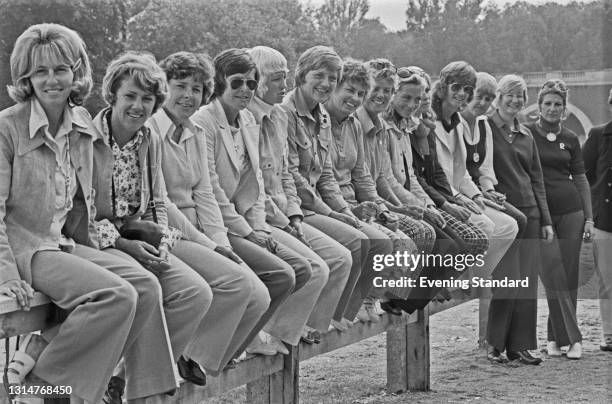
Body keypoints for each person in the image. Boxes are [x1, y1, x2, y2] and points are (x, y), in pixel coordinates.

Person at [0, 23, 171, 403]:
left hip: (66, 242)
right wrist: (7, 274)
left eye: (61, 69)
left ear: (76, 73)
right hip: (27, 247)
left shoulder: (80, 126)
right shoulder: (7, 127)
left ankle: (51, 358)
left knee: (144, 288)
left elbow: (82, 206)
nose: (51, 80)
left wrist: (112, 247)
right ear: (25, 77)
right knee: (116, 295)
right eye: (39, 71)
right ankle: (41, 390)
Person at [92, 51, 215, 397]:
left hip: (138, 235)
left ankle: (123, 377)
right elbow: (81, 213)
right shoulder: (87, 138)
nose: (138, 106)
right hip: (99, 240)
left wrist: (161, 241)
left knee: (196, 292)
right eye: (130, 96)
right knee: (147, 289)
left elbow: (157, 202)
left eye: (147, 99)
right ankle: (134, 387)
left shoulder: (150, 139)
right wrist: (124, 244)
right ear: (112, 94)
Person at [148, 51, 271, 374]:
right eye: (181, 86)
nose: (189, 96)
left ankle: (199, 356)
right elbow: (162, 202)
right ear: (164, 88)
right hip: (167, 229)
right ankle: (171, 363)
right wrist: (208, 244)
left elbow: (205, 193)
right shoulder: (150, 131)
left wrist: (222, 243)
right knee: (236, 284)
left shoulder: (194, 132)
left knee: (259, 295)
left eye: (198, 89)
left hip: (199, 228)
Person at [192, 48, 312, 355]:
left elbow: (257, 180)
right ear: (218, 83)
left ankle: (246, 339)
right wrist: (246, 232)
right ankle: (215, 349)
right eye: (236, 83)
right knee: (279, 275)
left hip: (244, 220)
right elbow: (211, 188)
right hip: (214, 222)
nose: (245, 89)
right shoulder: (203, 122)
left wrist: (260, 227)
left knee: (300, 268)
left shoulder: (247, 119)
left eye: (251, 82)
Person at [247, 46, 352, 340]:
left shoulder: (278, 115)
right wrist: (289, 219)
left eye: (284, 77)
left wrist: (292, 214)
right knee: (315, 267)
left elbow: (284, 175)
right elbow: (253, 189)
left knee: (340, 257)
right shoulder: (247, 120)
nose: (285, 84)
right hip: (259, 217)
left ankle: (300, 329)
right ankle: (275, 335)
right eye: (277, 79)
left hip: (287, 211)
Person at [280, 46, 382, 331]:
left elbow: (324, 175)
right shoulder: (285, 113)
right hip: (294, 206)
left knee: (370, 239)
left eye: (332, 78)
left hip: (314, 205)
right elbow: (290, 175)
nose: (326, 84)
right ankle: (313, 323)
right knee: (353, 245)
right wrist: (332, 212)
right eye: (319, 75)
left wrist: (344, 211)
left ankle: (334, 317)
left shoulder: (321, 117)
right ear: (301, 74)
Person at [430, 62, 518, 290]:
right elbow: (435, 176)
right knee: (485, 226)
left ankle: (476, 276)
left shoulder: (457, 122)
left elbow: (462, 173)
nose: (463, 94)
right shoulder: (429, 120)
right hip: (438, 197)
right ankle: (453, 280)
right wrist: (458, 199)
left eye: (467, 89)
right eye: (457, 87)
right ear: (443, 86)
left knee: (509, 225)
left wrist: (478, 196)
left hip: (457, 192)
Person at [486, 74, 554, 365]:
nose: (515, 100)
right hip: (503, 216)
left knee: (526, 283)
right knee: (505, 281)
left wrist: (547, 220)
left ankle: (521, 346)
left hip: (532, 214)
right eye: (510, 94)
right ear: (499, 97)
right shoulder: (485, 128)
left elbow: (537, 179)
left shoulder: (526, 135)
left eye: (520, 95)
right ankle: (495, 344)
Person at [525, 79, 589, 359]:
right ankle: (573, 338)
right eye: (548, 104)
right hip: (542, 215)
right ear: (539, 107)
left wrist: (589, 217)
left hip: (572, 211)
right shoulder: (526, 135)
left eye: (558, 105)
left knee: (569, 275)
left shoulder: (572, 138)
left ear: (564, 109)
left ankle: (555, 337)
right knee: (552, 273)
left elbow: (582, 178)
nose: (552, 109)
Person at [582, 87, 612, 353]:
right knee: (608, 280)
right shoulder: (598, 135)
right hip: (606, 219)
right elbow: (583, 173)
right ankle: (609, 334)